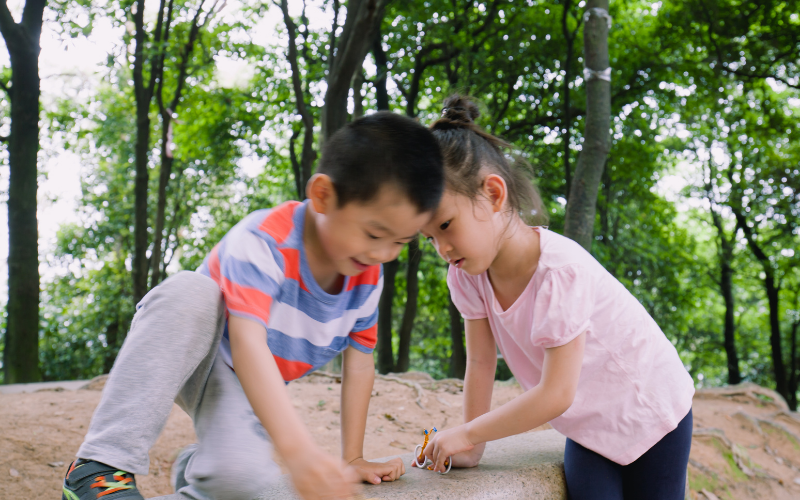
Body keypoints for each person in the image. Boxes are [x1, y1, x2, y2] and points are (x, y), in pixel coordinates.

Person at [62, 111, 445, 500]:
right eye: (375, 233)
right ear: (323, 196)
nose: (384, 253)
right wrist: (298, 454)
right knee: (192, 290)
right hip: (196, 349)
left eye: (401, 242)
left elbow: (361, 362)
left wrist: (353, 457)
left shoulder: (366, 279)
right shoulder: (264, 242)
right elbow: (247, 345)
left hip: (243, 385)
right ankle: (98, 468)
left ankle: (197, 468)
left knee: (245, 481)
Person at [418, 96, 694, 500]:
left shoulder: (558, 270)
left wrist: (465, 433)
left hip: (651, 410)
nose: (442, 247)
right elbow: (480, 361)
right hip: (588, 426)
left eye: (446, 225)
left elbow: (555, 393)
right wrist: (471, 447)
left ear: (494, 195)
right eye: (430, 237)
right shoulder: (465, 275)